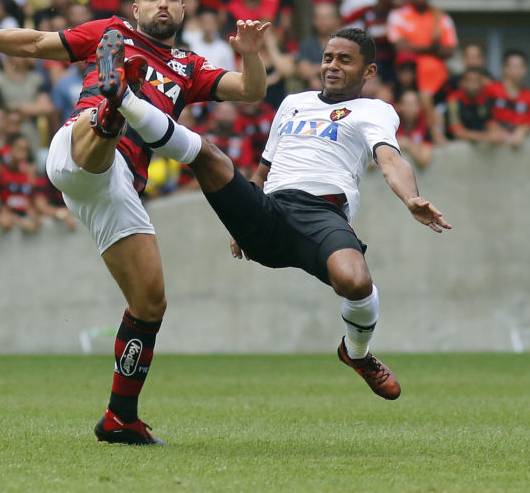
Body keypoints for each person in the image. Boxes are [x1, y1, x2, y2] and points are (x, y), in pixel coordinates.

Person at [0, 0, 270, 446]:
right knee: (100, 129)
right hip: (77, 146)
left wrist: (252, 55)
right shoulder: (110, 31)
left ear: (181, 8)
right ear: (136, 9)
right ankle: (114, 107)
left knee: (150, 302)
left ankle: (120, 418)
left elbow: (252, 91)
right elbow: (35, 44)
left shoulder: (190, 66)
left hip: (118, 190)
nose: (161, 3)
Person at [107, 26, 451, 399]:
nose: (332, 66)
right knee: (208, 155)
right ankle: (123, 98)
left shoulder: (375, 110)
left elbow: (390, 160)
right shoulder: (293, 102)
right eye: (328, 58)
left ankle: (356, 354)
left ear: (368, 72)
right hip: (269, 211)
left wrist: (410, 198)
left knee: (355, 282)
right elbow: (264, 168)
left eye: (344, 60)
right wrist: (241, 218)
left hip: (322, 214)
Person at [387, 0, 457, 98]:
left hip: (438, 80)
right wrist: (432, 48)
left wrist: (415, 47)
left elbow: (449, 50)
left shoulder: (441, 17)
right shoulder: (398, 15)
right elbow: (400, 48)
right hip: (408, 82)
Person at [485, 49, 530, 149]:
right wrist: (492, 128)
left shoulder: (529, 96)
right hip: (493, 143)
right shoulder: (491, 89)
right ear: (504, 68)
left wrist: (522, 131)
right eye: (512, 66)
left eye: (520, 67)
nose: (516, 71)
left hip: (515, 144)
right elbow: (483, 115)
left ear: (525, 69)